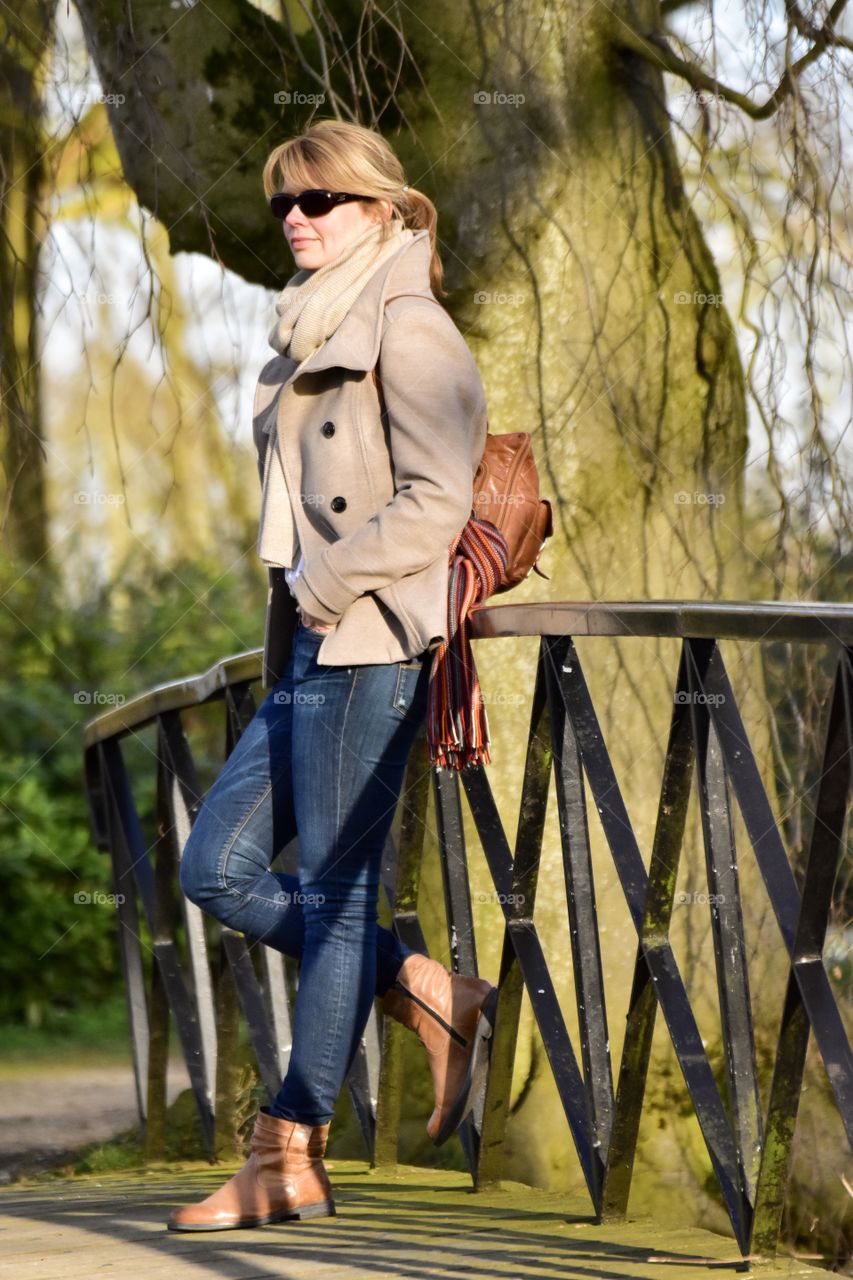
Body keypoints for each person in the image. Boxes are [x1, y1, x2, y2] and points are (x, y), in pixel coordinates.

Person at [168, 119, 497, 1233]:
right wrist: (302, 603)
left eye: (320, 199)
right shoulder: (307, 330)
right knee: (214, 862)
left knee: (336, 893)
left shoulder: (409, 328)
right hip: (308, 642)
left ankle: (285, 1151)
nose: (297, 220)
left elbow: (438, 502)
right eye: (283, 206)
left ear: (383, 208)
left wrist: (331, 579)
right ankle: (421, 982)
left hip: (370, 640)